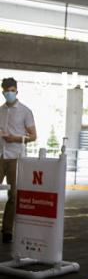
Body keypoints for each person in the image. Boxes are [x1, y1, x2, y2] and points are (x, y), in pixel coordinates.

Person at [0, 77, 36, 244]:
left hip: (16, 157)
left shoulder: (25, 111)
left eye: (12, 90)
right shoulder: (0, 111)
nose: (9, 93)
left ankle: (7, 231)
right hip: (0, 155)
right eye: (6, 90)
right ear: (2, 91)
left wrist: (14, 138)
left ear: (17, 91)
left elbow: (33, 136)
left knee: (13, 195)